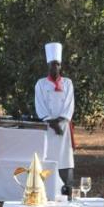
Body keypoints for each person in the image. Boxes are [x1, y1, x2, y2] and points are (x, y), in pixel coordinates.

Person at [34, 41, 75, 197]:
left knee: (65, 158)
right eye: (52, 64)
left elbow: (69, 105)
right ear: (48, 66)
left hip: (63, 128)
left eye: (57, 64)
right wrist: (52, 122)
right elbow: (40, 106)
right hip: (47, 128)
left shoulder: (68, 83)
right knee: (48, 157)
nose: (54, 67)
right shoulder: (40, 84)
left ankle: (67, 190)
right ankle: (47, 191)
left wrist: (61, 122)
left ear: (60, 66)